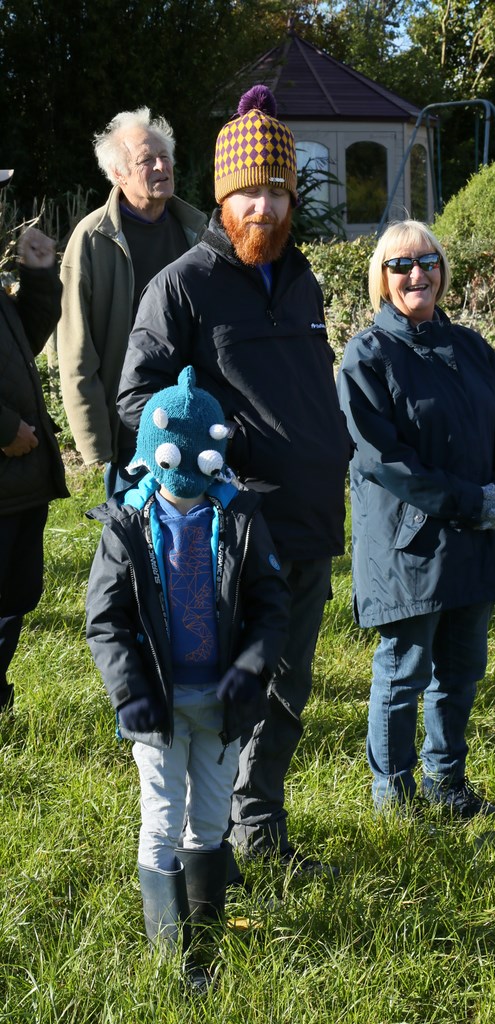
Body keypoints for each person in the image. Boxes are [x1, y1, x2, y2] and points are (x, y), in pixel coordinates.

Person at [117, 84, 350, 875]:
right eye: (249, 190)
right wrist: (221, 454)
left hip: (312, 515)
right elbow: (138, 398)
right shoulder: (182, 285)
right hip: (229, 531)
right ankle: (194, 843)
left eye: (277, 190)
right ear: (223, 195)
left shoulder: (303, 281)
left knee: (289, 688)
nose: (264, 207)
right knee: (223, 693)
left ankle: (259, 830)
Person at [85, 367, 290, 990]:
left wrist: (252, 668)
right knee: (161, 816)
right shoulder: (126, 526)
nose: (186, 493)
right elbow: (107, 621)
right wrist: (131, 691)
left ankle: (203, 940)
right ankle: (171, 957)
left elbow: (270, 606)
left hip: (223, 704)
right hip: (158, 705)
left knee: (210, 815)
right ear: (154, 456)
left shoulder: (240, 520)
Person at [336, 220, 495, 817]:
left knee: (462, 668)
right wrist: (468, 501)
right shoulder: (367, 355)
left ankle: (447, 786)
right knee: (404, 671)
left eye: (428, 262)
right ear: (382, 277)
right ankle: (393, 799)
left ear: (442, 271)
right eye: (401, 266)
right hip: (409, 542)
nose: (416, 274)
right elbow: (382, 458)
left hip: (477, 537)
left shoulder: (471, 347)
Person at [56, 107, 207, 498]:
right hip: (131, 435)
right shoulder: (91, 240)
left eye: (165, 157)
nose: (162, 166)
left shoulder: (198, 232)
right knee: (135, 550)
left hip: (198, 423)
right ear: (118, 175)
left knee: (199, 550)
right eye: (146, 160)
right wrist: (95, 443)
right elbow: (75, 348)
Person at [0, 168, 69, 712]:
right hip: (8, 466)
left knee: (15, 598)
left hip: (20, 482)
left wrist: (39, 275)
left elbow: (27, 336)